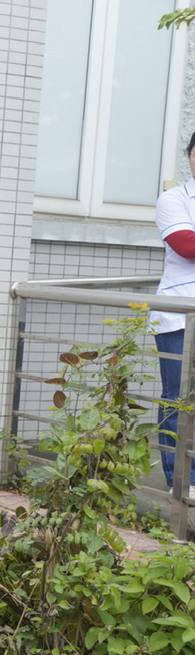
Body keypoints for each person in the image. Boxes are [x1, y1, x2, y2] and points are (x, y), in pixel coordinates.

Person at [150, 130, 195, 489]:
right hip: (181, 316)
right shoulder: (173, 198)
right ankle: (181, 486)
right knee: (178, 400)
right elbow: (185, 244)